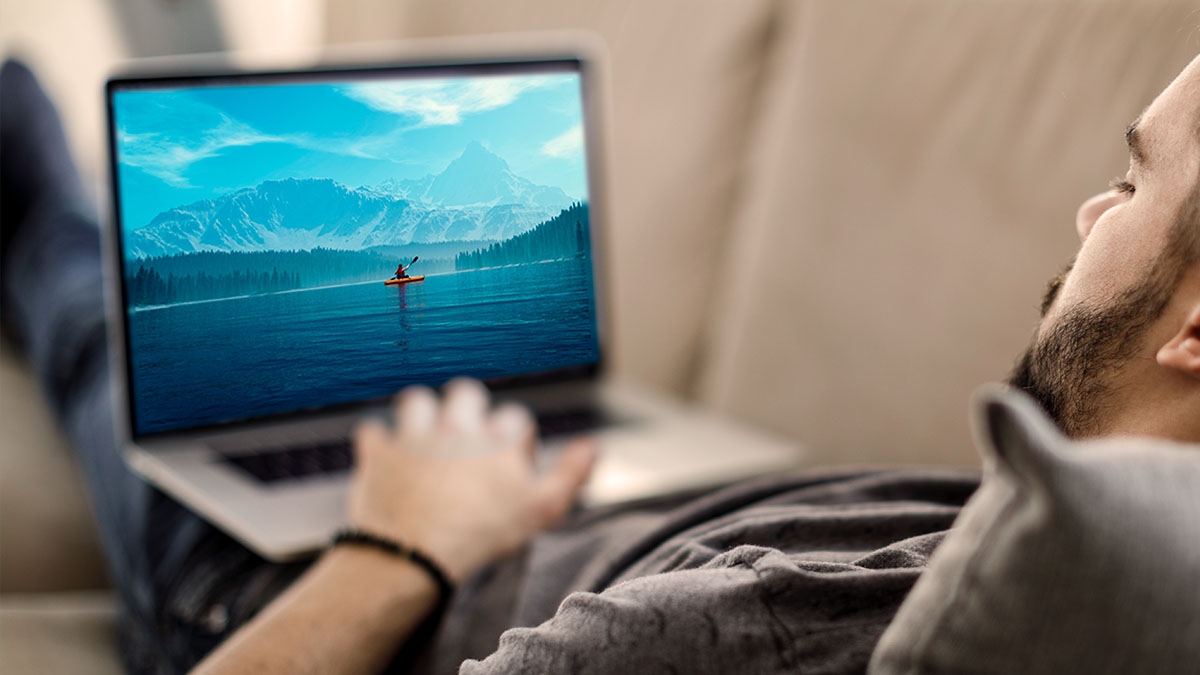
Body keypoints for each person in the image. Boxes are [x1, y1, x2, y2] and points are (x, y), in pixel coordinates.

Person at [3, 46, 1199, 673]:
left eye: (1132, 181)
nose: (1091, 212)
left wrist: (401, 541)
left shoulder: (758, 637)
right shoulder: (1096, 516)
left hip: (331, 586)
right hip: (540, 502)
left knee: (89, 312)